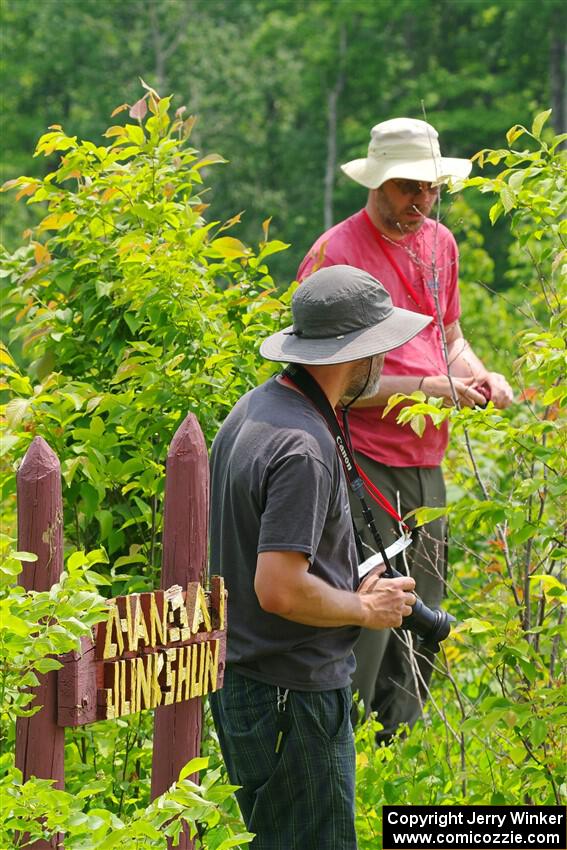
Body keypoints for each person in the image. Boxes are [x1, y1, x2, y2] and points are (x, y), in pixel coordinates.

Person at [297, 117, 514, 743]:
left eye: (430, 189)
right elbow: (324, 380)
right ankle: (344, 759)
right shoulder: (335, 256)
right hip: (359, 464)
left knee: (419, 626)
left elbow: (448, 338)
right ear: (375, 182)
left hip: (427, 465)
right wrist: (429, 389)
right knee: (365, 623)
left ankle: (403, 764)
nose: (419, 202)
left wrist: (479, 375)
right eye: (405, 188)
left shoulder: (439, 243)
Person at [209, 265, 430, 850]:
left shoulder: (257, 410)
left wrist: (349, 582)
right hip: (293, 694)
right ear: (355, 354)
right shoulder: (303, 445)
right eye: (380, 347)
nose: (384, 362)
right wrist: (365, 610)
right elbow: (279, 588)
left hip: (252, 682)